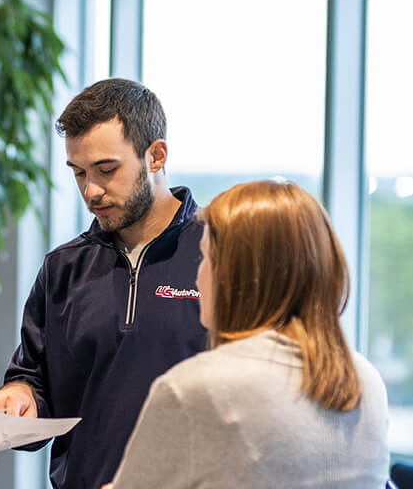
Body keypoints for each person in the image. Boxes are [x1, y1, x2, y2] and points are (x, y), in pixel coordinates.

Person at [0, 78, 208, 489]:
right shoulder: (62, 269)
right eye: (79, 173)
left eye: (107, 170)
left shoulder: (220, 255)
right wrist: (19, 398)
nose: (92, 191)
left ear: (156, 156)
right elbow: (34, 380)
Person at [105, 180, 390, 488]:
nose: (198, 277)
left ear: (238, 275)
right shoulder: (366, 381)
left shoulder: (196, 389)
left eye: (206, 258)